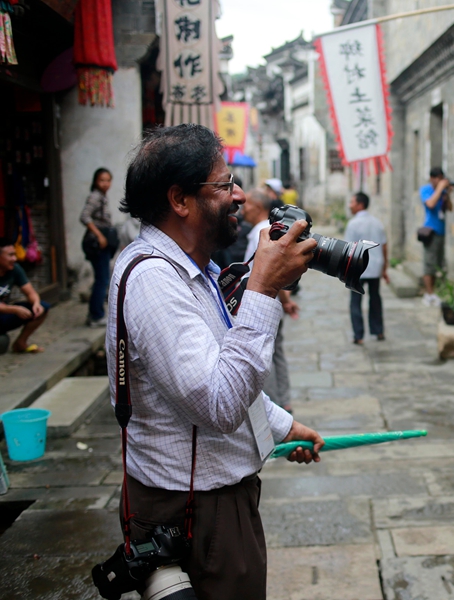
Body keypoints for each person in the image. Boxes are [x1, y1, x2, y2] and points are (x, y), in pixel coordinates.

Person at [106, 124, 323, 599]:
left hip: (213, 504)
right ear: (180, 200)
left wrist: (283, 425)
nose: (239, 196)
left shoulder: (194, 269)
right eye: (225, 185)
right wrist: (263, 287)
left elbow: (224, 368)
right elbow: (219, 404)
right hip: (195, 512)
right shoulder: (154, 281)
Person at [243, 188, 297, 412]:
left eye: (247, 204)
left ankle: (275, 404)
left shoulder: (263, 234)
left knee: (267, 357)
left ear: (257, 207)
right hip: (273, 301)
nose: (242, 208)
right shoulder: (266, 230)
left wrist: (285, 300)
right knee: (277, 353)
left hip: (266, 303)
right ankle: (284, 399)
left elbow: (273, 274)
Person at [344, 192, 389, 344]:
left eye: (352, 202)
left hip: (357, 268)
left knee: (355, 301)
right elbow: (384, 246)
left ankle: (358, 335)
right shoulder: (377, 222)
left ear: (360, 205)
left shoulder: (353, 224)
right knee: (375, 299)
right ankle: (378, 331)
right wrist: (384, 268)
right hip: (375, 266)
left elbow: (348, 249)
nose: (350, 205)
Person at [81, 167, 117, 328]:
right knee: (102, 279)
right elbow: (84, 216)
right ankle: (96, 315)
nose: (105, 184)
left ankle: (95, 313)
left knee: (102, 278)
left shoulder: (102, 197)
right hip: (97, 243)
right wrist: (99, 235)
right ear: (96, 181)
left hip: (102, 243)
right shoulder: (95, 196)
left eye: (108, 180)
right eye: (102, 180)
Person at [0, 237, 50, 353]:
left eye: (14, 254)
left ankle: (20, 343)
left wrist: (36, 304)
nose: (14, 258)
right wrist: (14, 309)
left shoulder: (14, 269)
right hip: (6, 310)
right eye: (10, 255)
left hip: (4, 314)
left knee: (43, 308)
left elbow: (30, 292)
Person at [419, 167, 452, 306]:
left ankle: (433, 293)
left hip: (441, 231)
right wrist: (440, 189)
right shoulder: (426, 190)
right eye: (437, 179)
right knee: (429, 264)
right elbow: (431, 204)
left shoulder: (442, 191)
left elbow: (450, 208)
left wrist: (447, 194)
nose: (439, 181)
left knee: (438, 264)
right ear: (432, 178)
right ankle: (429, 293)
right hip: (430, 231)